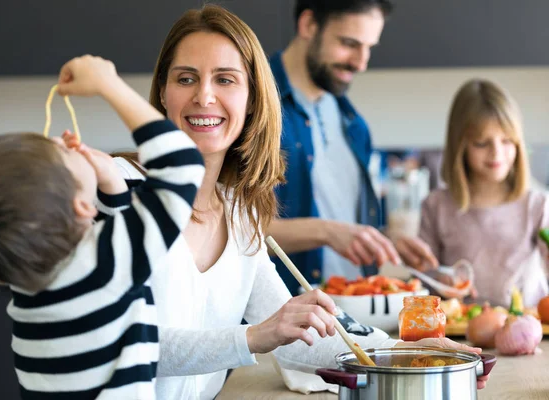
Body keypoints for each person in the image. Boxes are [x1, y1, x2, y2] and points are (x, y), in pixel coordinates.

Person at [107, 5, 489, 399]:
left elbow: (297, 333)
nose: (204, 95)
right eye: (186, 78)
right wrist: (253, 337)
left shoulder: (240, 216)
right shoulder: (119, 189)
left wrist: (403, 353)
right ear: (164, 94)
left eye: (225, 80)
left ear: (253, 99)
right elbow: (115, 341)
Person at [0, 55, 205, 399]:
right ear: (82, 206)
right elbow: (183, 165)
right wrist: (109, 85)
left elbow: (105, 251)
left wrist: (113, 187)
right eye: (64, 154)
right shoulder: (103, 267)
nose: (65, 139)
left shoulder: (32, 280)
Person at [266, 0, 438, 294]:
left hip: (350, 315)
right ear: (308, 25)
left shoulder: (353, 124)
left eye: (369, 47)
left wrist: (383, 239)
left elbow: (344, 220)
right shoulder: (253, 107)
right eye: (349, 43)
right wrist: (327, 232)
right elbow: (233, 233)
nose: (361, 63)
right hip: (285, 320)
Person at [417, 79, 549, 308]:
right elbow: (422, 278)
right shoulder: (436, 206)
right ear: (460, 146)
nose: (496, 153)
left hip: (527, 328)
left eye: (507, 141)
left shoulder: (537, 205)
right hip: (460, 333)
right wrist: (440, 279)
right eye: (481, 143)